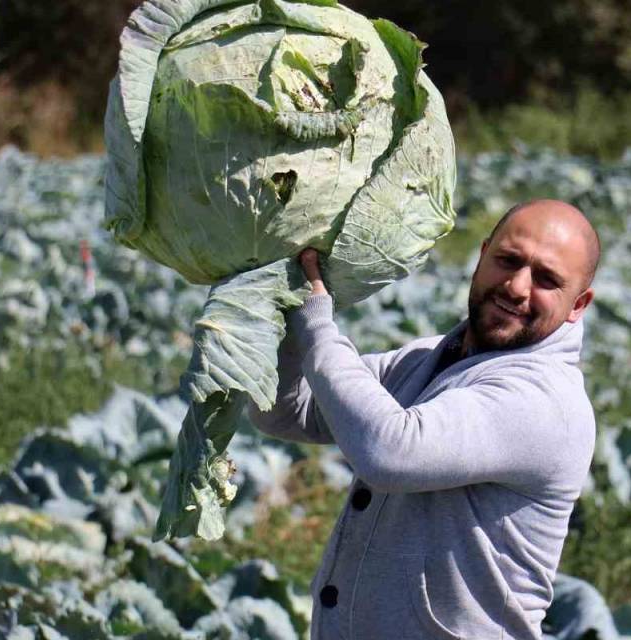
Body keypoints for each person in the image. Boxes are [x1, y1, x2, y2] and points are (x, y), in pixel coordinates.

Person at [249, 199, 600, 639]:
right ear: (482, 256)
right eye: (508, 260)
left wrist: (316, 325)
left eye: (546, 279)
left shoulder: (544, 401)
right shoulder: (429, 359)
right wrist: (282, 312)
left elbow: (390, 452)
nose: (516, 286)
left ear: (578, 304)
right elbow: (289, 411)